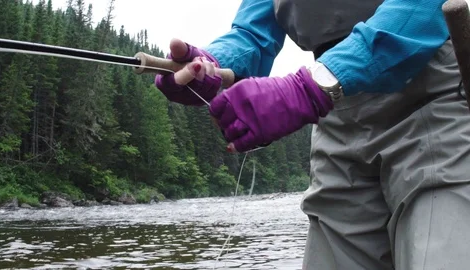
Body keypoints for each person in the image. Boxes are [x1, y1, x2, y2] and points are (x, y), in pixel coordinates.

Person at [155, 0, 470, 269]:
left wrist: (310, 88)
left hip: (429, 102)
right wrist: (209, 65)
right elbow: (253, 33)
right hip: (334, 112)